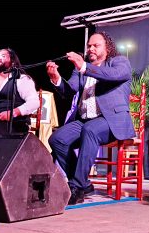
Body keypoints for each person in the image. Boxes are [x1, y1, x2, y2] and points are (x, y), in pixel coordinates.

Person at [46, 31, 136, 205]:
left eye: (96, 45)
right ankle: (83, 183)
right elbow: (69, 90)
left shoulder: (119, 62)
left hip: (111, 121)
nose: (91, 48)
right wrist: (56, 79)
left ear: (107, 48)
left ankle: (77, 187)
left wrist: (84, 67)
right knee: (57, 139)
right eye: (89, 46)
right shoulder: (80, 70)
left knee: (91, 130)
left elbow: (113, 76)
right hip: (85, 120)